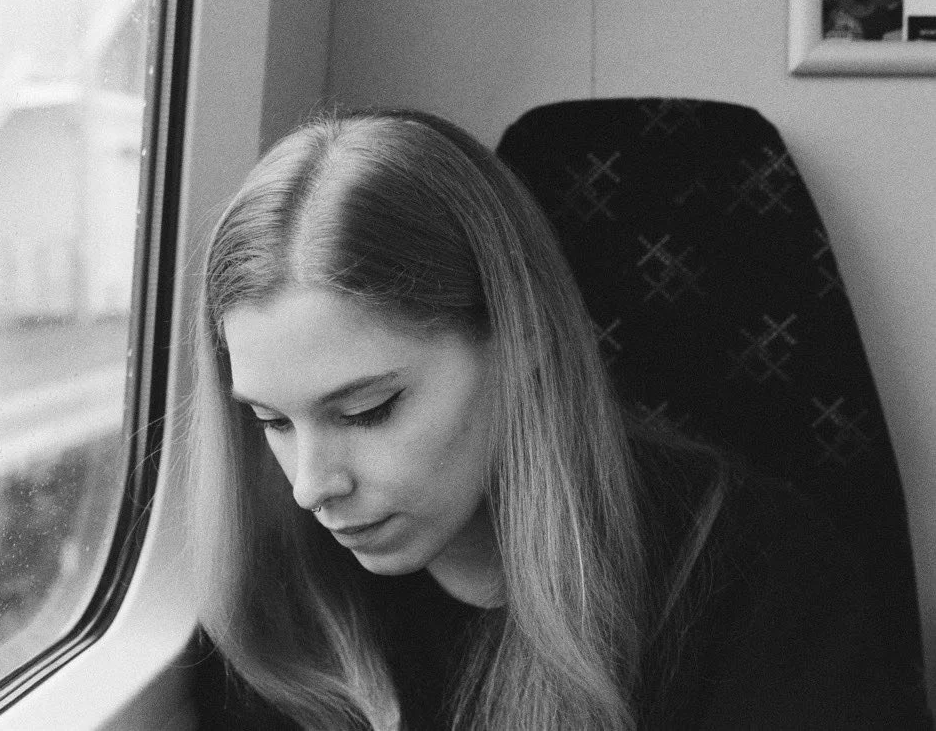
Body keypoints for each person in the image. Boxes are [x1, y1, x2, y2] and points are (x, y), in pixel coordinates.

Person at [182, 109, 931, 729]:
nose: (311, 487)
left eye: (367, 411)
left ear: (522, 342)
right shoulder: (278, 607)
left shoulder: (760, 581)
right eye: (272, 421)